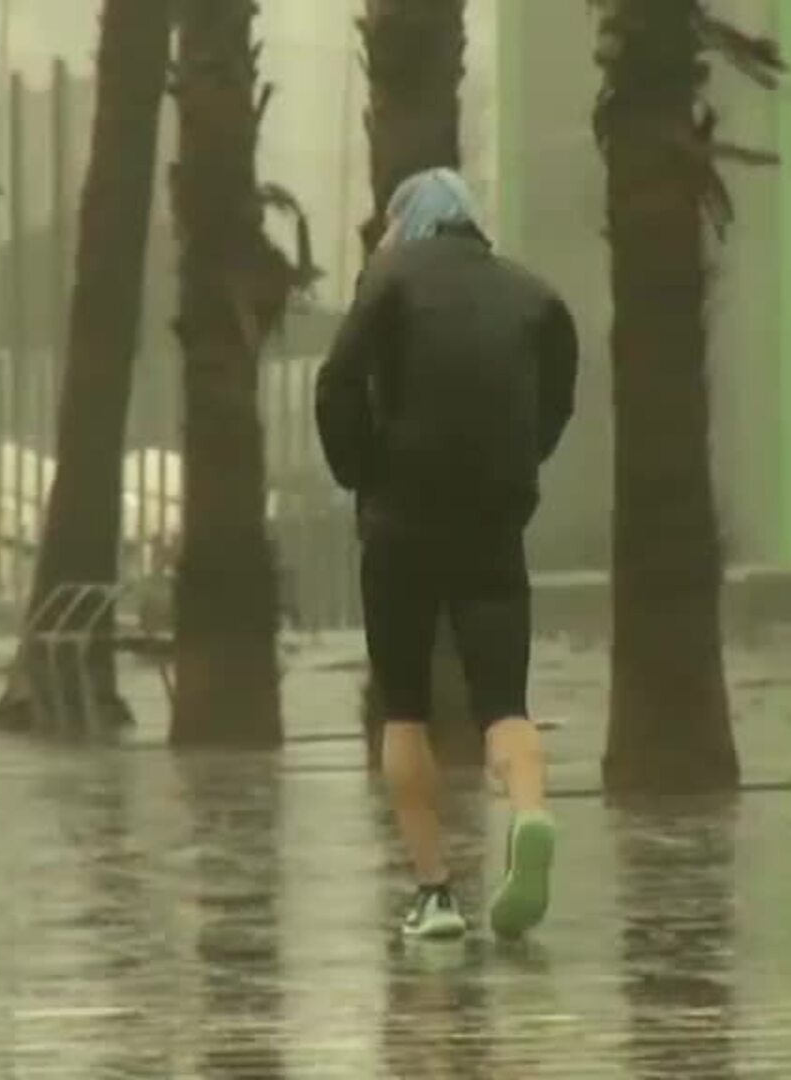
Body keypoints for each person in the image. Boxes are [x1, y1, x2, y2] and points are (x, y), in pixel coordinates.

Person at [315, 167, 578, 940]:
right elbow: (556, 403)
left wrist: (361, 471)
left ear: (407, 223)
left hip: (402, 517)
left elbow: (337, 382)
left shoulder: (389, 279)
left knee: (405, 708)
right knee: (505, 702)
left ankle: (434, 895)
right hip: (493, 516)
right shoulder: (534, 296)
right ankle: (529, 812)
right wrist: (518, 466)